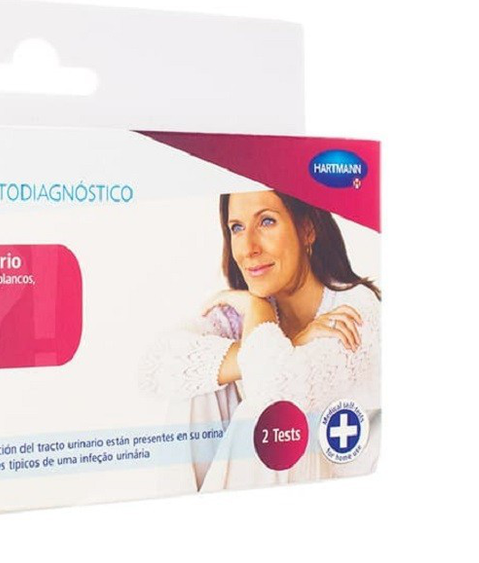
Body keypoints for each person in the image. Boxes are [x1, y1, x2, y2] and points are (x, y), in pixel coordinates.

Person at [140, 190, 381, 491]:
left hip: (341, 486)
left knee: (269, 413)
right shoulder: (248, 311)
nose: (248, 248)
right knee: (197, 387)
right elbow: (153, 367)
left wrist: (258, 312)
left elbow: (274, 392)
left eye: (266, 221)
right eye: (237, 228)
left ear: (307, 228)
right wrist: (281, 333)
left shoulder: (356, 310)